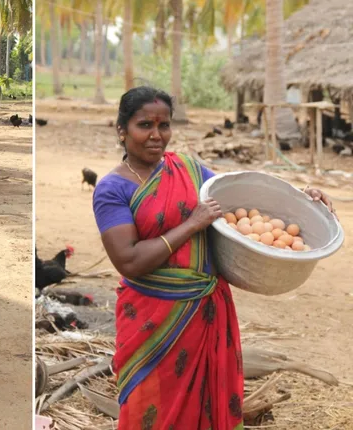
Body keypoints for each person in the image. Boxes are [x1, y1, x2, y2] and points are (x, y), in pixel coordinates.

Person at [92, 86, 335, 429]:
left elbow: (240, 196)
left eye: (164, 126)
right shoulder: (112, 190)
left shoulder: (189, 171)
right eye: (145, 125)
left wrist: (304, 196)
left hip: (207, 312)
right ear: (122, 130)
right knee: (152, 409)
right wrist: (192, 224)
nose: (156, 135)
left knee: (208, 406)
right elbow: (129, 261)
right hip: (152, 320)